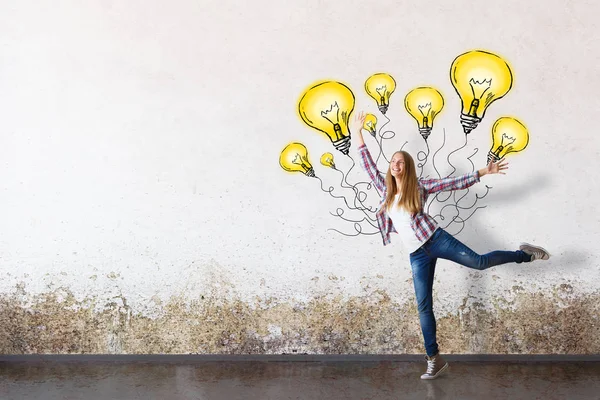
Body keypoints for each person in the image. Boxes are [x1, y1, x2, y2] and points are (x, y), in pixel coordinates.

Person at [351, 112, 550, 380]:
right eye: (392, 161)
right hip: (416, 255)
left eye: (400, 161)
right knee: (424, 306)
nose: (395, 164)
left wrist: (483, 171)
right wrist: (358, 132)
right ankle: (435, 359)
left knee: (478, 262)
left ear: (407, 167)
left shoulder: (419, 187)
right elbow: (366, 163)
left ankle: (524, 254)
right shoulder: (385, 189)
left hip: (436, 239)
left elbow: (451, 184)